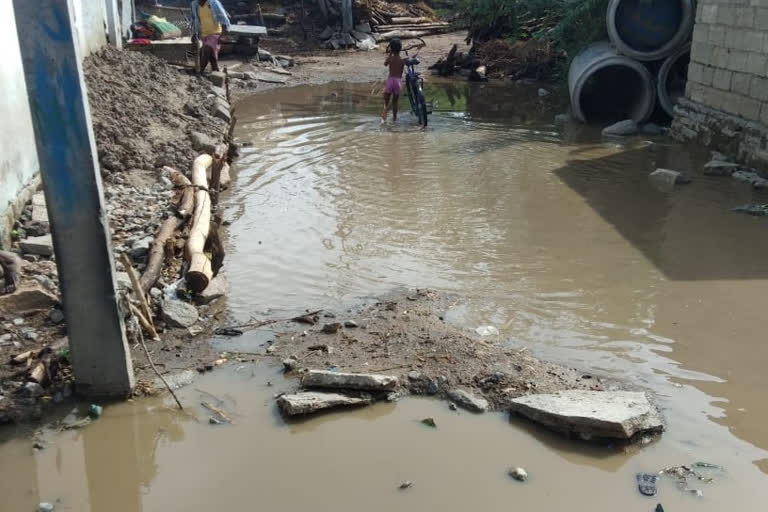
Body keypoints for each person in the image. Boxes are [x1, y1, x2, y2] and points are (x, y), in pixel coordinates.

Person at [190, 0, 231, 73]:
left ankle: (199, 71)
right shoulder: (195, 5)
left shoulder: (213, 3)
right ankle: (216, 71)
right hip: (204, 35)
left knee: (206, 50)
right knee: (212, 57)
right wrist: (194, 34)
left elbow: (224, 19)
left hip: (215, 33)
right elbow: (194, 20)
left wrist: (222, 35)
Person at [382, 39, 406, 122]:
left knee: (386, 100)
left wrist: (390, 53)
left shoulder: (390, 59)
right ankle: (394, 118)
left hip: (390, 80)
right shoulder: (402, 60)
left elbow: (385, 64)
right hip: (398, 81)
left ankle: (384, 114)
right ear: (400, 49)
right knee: (395, 101)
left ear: (391, 49)